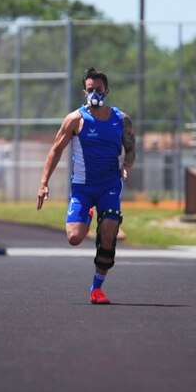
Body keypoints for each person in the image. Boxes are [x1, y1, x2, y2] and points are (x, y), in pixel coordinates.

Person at [37, 67, 136, 304]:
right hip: (82, 187)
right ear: (84, 91)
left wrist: (126, 166)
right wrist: (44, 183)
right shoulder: (75, 120)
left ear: (107, 91)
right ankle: (89, 213)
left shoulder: (121, 120)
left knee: (109, 232)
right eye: (90, 90)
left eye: (99, 90)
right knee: (74, 238)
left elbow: (131, 150)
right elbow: (56, 150)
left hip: (110, 184)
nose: (94, 94)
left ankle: (96, 288)